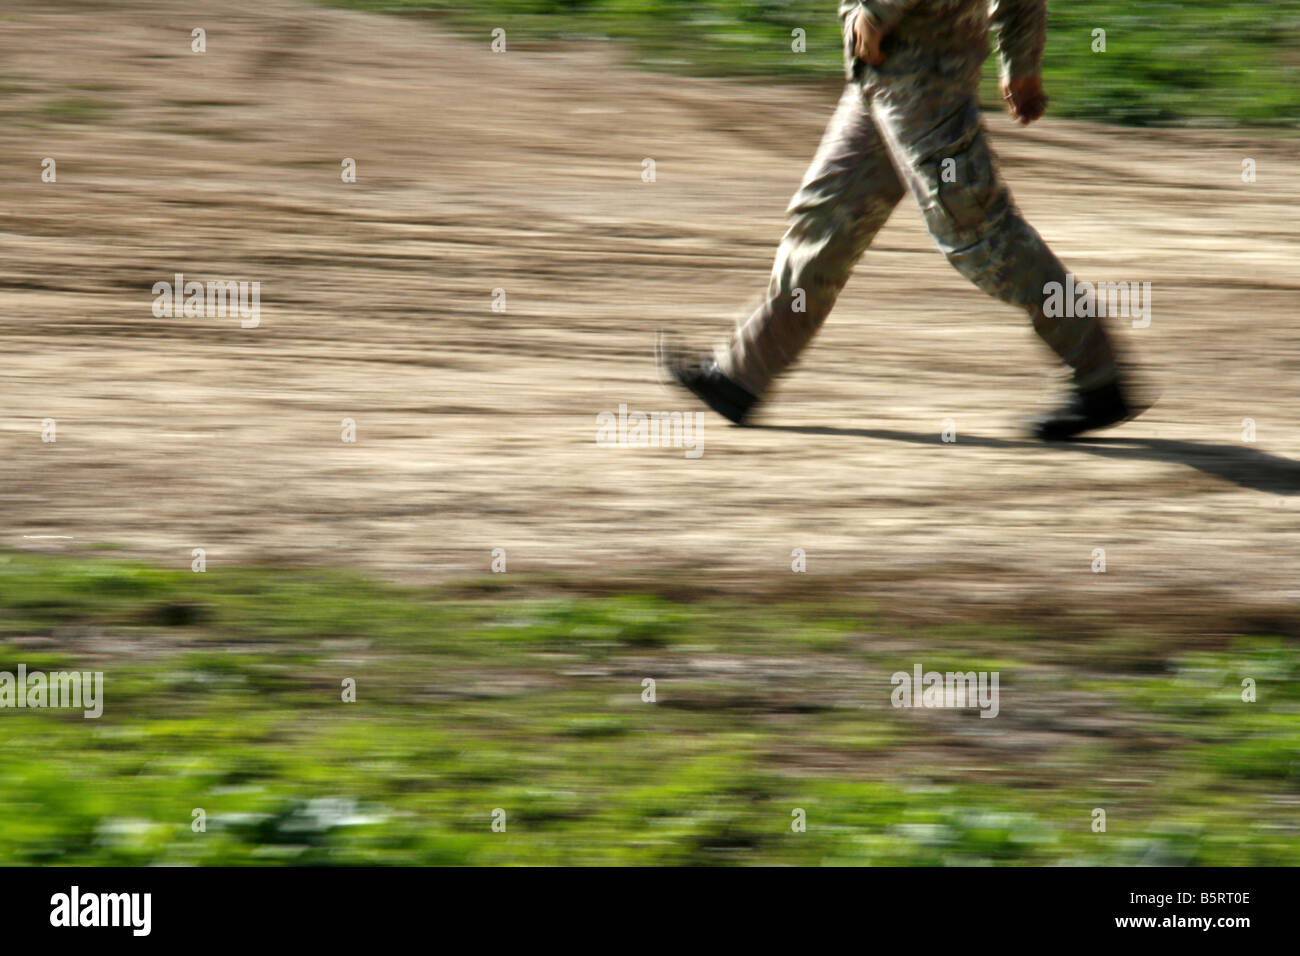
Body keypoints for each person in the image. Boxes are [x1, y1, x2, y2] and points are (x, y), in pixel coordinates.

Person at [662, 0, 1139, 440]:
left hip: (927, 83)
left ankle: (1099, 376)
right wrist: (1021, 61)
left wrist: (878, 8)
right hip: (878, 78)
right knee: (826, 221)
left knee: (984, 238)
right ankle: (742, 375)